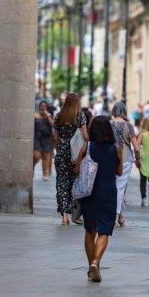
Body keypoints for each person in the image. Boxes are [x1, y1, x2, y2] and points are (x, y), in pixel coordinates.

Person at [75, 117, 123, 283]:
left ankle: (91, 268)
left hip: (89, 193)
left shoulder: (86, 147)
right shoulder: (116, 149)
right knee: (104, 231)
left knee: (90, 230)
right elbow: (120, 172)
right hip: (108, 193)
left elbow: (76, 169)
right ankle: (96, 262)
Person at [53, 93, 88, 226]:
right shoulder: (80, 116)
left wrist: (58, 150)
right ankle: (75, 213)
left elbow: (55, 138)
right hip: (76, 155)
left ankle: (64, 217)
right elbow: (85, 136)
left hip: (61, 153)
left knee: (61, 183)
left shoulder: (59, 116)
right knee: (74, 183)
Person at [112, 101, 141, 227]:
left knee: (112, 186)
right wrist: (138, 159)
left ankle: (118, 215)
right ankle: (115, 215)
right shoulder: (128, 125)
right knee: (120, 187)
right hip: (126, 159)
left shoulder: (109, 124)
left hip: (111, 158)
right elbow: (136, 147)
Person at [33, 100, 55, 182]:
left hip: (47, 139)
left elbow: (53, 125)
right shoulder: (35, 115)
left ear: (46, 108)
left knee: (46, 156)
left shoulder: (49, 116)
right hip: (37, 139)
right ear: (39, 107)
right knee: (36, 156)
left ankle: (45, 173)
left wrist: (48, 117)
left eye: (44, 106)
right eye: (41, 106)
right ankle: (33, 166)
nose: (42, 108)